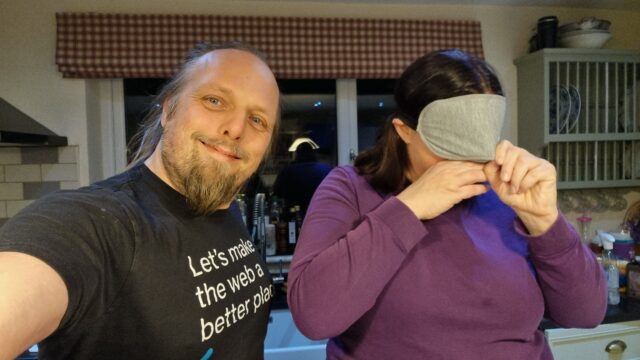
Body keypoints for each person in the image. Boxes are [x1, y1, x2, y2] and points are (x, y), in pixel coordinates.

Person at [287, 49, 607, 359]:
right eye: (449, 144)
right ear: (405, 131)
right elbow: (314, 316)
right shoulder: (350, 188)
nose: (466, 160)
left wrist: (545, 221)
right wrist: (408, 208)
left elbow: (586, 312)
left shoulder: (508, 193)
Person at [0, 41, 281, 359]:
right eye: (214, 100)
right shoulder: (98, 224)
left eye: (258, 120)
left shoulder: (224, 208)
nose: (236, 128)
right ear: (169, 109)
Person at [272, 140, 333, 217]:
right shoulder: (327, 169)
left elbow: (277, 193)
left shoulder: (288, 170)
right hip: (324, 213)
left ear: (297, 154)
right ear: (313, 153)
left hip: (294, 215)